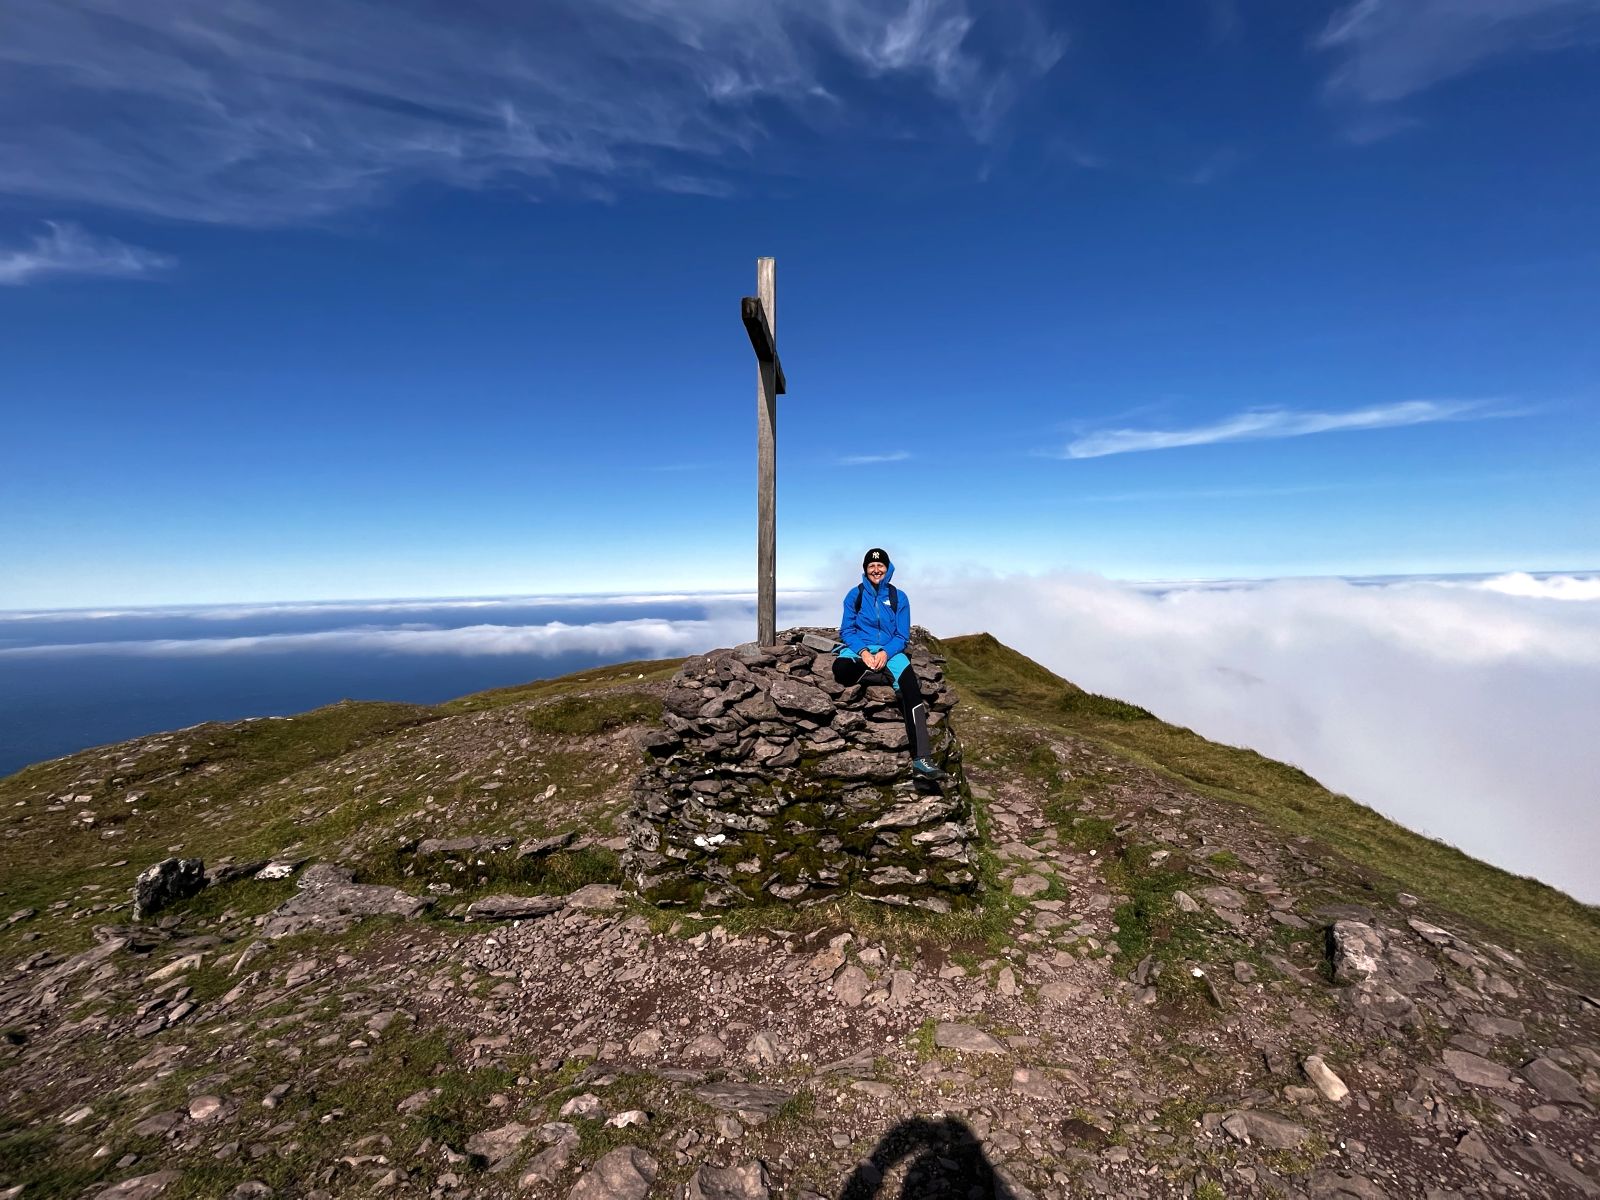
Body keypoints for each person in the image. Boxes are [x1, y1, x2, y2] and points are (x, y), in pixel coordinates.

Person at [834, 548, 949, 781]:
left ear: (888, 569)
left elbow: (901, 635)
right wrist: (864, 652)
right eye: (871, 566)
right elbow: (847, 630)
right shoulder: (854, 596)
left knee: (910, 689)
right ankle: (883, 674)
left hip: (892, 651)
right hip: (861, 650)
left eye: (881, 566)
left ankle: (922, 760)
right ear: (865, 570)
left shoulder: (899, 597)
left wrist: (885, 653)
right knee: (841, 669)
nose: (876, 570)